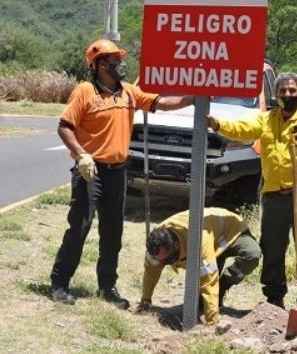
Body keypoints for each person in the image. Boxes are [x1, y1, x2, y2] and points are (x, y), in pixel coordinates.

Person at [50, 39, 193, 308]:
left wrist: (193, 98)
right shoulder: (84, 91)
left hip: (118, 173)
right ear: (101, 65)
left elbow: (161, 103)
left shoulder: (129, 92)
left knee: (113, 232)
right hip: (90, 171)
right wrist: (82, 154)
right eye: (115, 60)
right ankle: (59, 283)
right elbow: (65, 127)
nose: (121, 65)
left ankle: (107, 287)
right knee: (80, 227)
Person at [207, 68, 297, 310]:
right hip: (274, 196)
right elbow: (242, 128)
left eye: (292, 90)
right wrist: (218, 124)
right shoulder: (267, 120)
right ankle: (274, 297)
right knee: (272, 249)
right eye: (283, 91)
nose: (287, 94)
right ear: (276, 94)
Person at [137, 208, 261, 325]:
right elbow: (151, 272)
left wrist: (212, 321)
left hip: (231, 230)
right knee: (200, 303)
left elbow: (208, 280)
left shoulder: (198, 240)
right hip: (210, 237)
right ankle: (207, 300)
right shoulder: (156, 245)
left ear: (175, 245)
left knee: (252, 254)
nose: (163, 263)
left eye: (166, 260)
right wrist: (146, 299)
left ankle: (223, 285)